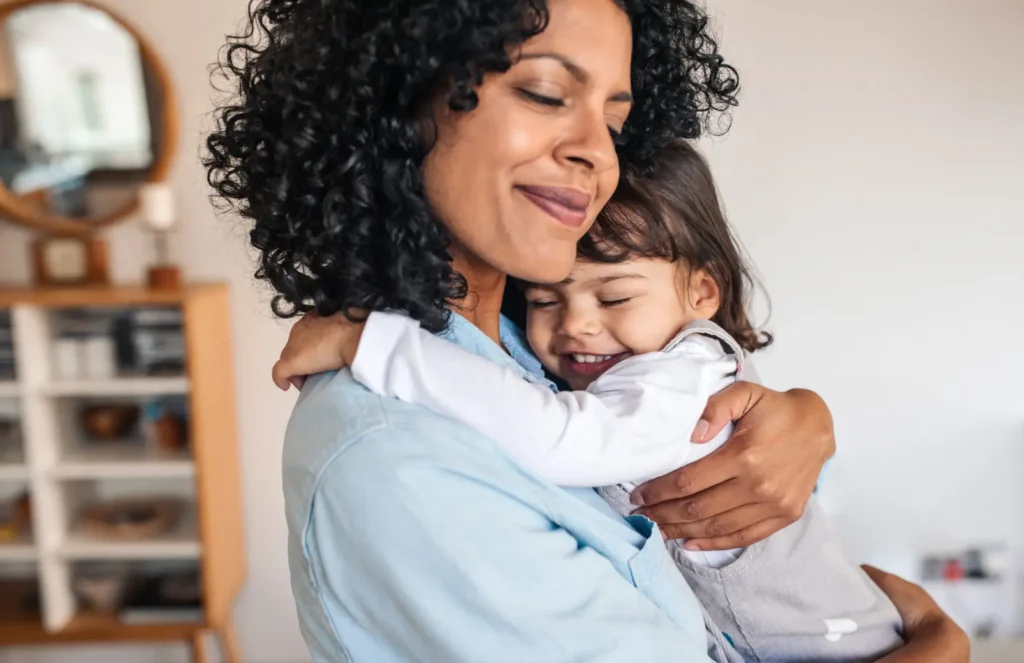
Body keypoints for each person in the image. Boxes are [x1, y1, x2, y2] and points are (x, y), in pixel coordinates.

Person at [207, 0, 969, 661]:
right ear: (393, 102)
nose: (596, 152)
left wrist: (799, 420)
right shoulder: (396, 457)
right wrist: (938, 641)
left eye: (615, 120)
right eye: (545, 92)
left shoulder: (532, 349)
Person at [272, 139, 906, 662]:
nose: (575, 326)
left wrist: (373, 345)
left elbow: (559, 437)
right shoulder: (394, 451)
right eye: (548, 300)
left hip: (828, 641)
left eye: (614, 299)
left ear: (702, 293)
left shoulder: (669, 376)